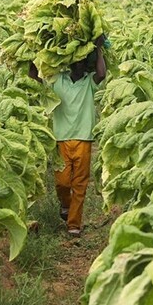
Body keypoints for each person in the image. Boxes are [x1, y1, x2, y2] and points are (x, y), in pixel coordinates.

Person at [29, 35, 107, 236]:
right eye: (75, 60)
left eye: (82, 60)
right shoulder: (57, 80)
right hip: (61, 139)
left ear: (86, 62)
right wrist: (30, 53)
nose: (79, 64)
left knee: (79, 183)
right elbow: (35, 78)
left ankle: (74, 224)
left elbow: (102, 73)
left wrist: (98, 49)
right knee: (62, 182)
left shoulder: (89, 82)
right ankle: (65, 204)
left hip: (83, 138)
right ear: (69, 63)